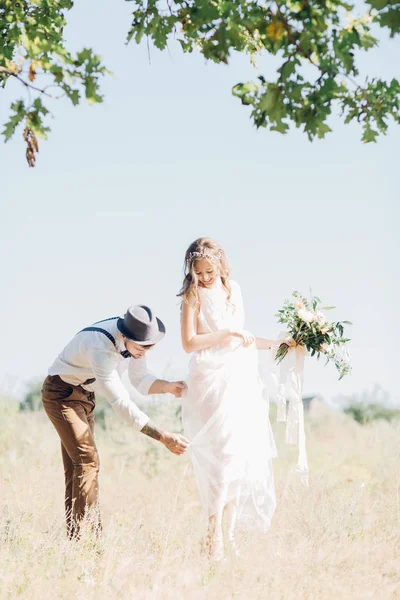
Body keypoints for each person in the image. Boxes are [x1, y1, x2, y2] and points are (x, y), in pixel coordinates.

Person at [179, 238, 290, 560]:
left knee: (239, 456)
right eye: (198, 272)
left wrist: (281, 344)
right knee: (222, 456)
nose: (204, 278)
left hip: (241, 379)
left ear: (221, 266)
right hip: (211, 379)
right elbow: (189, 342)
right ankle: (212, 537)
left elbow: (246, 339)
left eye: (209, 271)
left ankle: (227, 535)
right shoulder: (192, 296)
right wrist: (226, 334)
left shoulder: (234, 290)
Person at [42, 305, 189, 538]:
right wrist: (164, 437)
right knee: (88, 462)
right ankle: (88, 539)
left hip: (85, 396)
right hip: (62, 394)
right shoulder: (101, 348)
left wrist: (168, 387)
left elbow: (140, 380)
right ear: (124, 336)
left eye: (150, 346)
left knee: (77, 467)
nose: (145, 352)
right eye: (142, 347)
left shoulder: (136, 342)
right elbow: (121, 403)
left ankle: (75, 539)